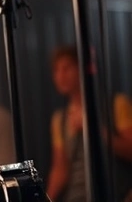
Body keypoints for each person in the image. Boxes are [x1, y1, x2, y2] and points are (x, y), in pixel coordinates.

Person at [45, 44, 132, 202]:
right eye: (56, 70)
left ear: (83, 69)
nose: (60, 76)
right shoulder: (59, 119)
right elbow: (60, 170)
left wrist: (94, 129)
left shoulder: (116, 104)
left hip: (114, 193)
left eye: (66, 68)